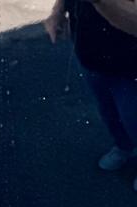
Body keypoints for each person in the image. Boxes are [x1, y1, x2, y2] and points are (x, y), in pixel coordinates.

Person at [46, 0, 137, 188]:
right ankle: (123, 146)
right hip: (91, 58)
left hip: (130, 67)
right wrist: (57, 12)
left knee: (132, 118)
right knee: (109, 113)